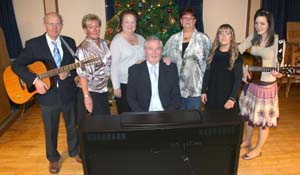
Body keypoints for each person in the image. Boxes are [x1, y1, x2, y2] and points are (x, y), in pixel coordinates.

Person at [11, 12, 81, 174]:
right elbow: (17, 66)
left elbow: (75, 65)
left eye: (58, 24)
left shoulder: (69, 42)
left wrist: (69, 73)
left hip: (68, 92)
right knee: (51, 129)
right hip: (47, 95)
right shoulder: (33, 44)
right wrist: (35, 80)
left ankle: (74, 151)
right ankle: (53, 158)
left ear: (62, 25)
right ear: (45, 25)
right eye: (51, 24)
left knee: (72, 125)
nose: (54, 27)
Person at [238, 9, 284, 160]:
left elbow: (280, 65)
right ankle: (247, 141)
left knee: (263, 121)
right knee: (248, 115)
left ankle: (258, 149)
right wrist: (243, 68)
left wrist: (278, 73)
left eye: (262, 23)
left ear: (269, 24)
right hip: (251, 83)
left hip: (266, 86)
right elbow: (238, 50)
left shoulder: (278, 41)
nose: (259, 26)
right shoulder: (253, 37)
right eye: (256, 23)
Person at [163, 7, 211, 110]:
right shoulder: (173, 39)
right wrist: (164, 59)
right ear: (181, 21)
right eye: (185, 18)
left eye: (191, 18)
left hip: (195, 90)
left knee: (193, 121)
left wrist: (205, 88)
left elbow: (210, 63)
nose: (188, 20)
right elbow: (163, 55)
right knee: (178, 121)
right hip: (176, 89)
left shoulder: (203, 39)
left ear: (195, 21)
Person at [127, 36, 181, 112]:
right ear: (145, 51)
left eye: (157, 49)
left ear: (161, 51)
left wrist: (167, 114)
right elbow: (131, 98)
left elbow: (176, 96)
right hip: (144, 114)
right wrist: (143, 115)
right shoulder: (135, 70)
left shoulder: (171, 68)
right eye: (150, 49)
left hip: (166, 113)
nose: (154, 52)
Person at [76, 14, 112, 122]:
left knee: (105, 123)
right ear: (85, 29)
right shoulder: (83, 49)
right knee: (94, 126)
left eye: (97, 26)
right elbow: (82, 75)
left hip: (103, 90)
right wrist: (87, 97)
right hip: (90, 91)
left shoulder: (103, 43)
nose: (95, 29)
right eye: (91, 27)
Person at [110, 9, 145, 114]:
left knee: (140, 114)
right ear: (121, 23)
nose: (130, 25)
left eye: (133, 22)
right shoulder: (117, 42)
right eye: (126, 22)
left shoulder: (141, 38)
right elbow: (114, 66)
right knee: (126, 116)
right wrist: (116, 87)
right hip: (125, 84)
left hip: (141, 84)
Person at [201, 24, 243, 112]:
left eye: (227, 33)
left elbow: (238, 79)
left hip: (228, 97)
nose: (223, 36)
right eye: (220, 33)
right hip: (212, 95)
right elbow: (207, 73)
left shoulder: (236, 55)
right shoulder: (212, 53)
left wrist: (232, 98)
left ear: (231, 37)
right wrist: (203, 91)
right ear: (217, 36)